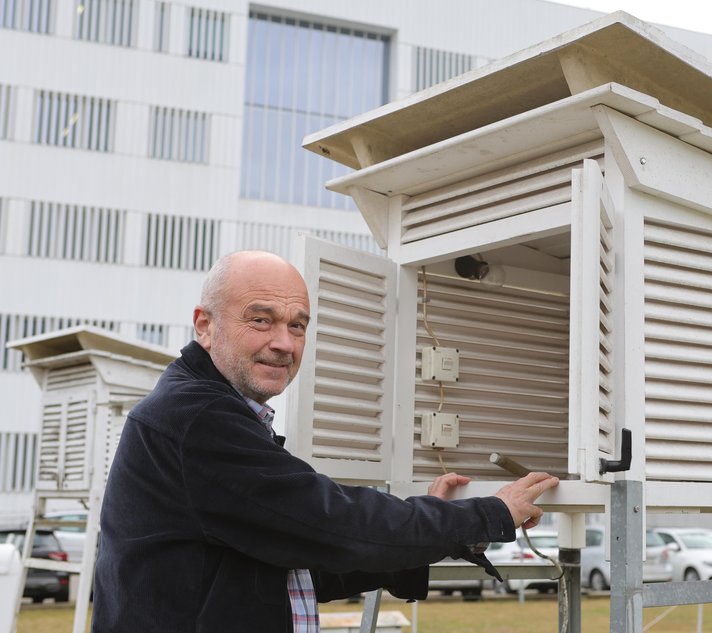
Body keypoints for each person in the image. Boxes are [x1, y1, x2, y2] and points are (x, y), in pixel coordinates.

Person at [92, 250, 559, 633]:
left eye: (297, 325)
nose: (285, 343)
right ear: (204, 325)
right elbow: (334, 521)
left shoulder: (212, 409)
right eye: (261, 320)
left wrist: (447, 532)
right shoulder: (197, 417)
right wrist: (486, 514)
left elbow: (297, 562)